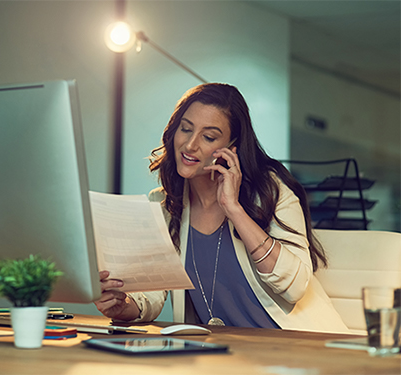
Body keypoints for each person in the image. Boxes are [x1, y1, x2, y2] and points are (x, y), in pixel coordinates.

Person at [95, 83, 350, 333]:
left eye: (208, 137)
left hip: (300, 347)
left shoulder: (271, 191)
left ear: (230, 147)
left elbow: (294, 287)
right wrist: (122, 305)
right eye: (185, 129)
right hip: (224, 354)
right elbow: (150, 297)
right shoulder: (165, 204)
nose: (190, 145)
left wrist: (234, 209)